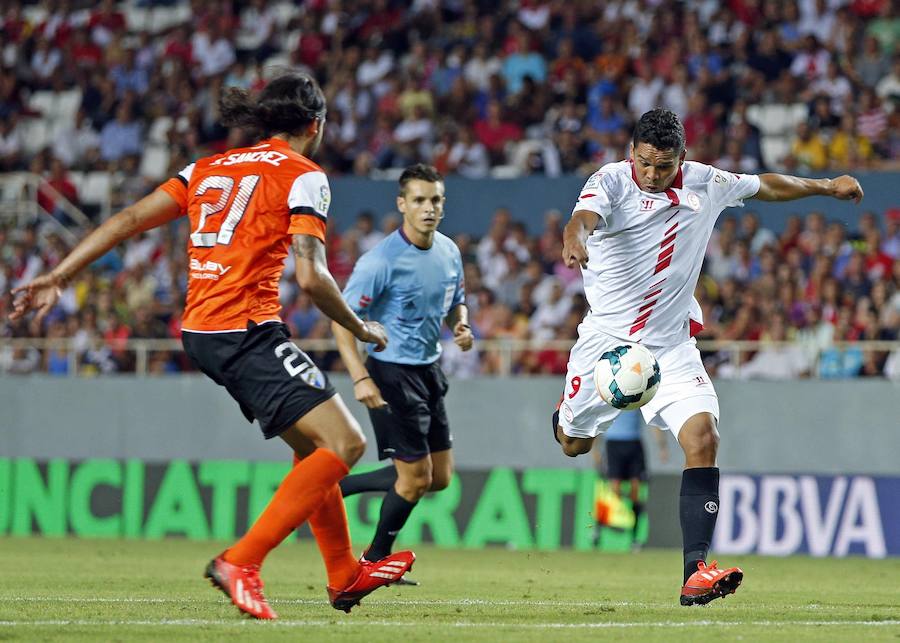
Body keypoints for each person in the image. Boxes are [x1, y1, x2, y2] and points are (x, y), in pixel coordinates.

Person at [8, 73, 415, 620]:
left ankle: (344, 575)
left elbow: (130, 219)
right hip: (243, 328)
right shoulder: (305, 175)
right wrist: (361, 328)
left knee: (312, 448)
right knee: (344, 445)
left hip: (202, 328)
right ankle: (241, 562)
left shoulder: (207, 167)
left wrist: (59, 274)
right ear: (315, 125)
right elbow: (313, 277)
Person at [556, 108, 863, 606]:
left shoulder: (706, 181)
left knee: (703, 437)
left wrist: (826, 186)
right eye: (646, 164)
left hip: (671, 346)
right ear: (633, 152)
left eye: (665, 165)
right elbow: (583, 218)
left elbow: (766, 185)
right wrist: (575, 238)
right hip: (606, 346)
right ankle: (565, 418)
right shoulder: (610, 180)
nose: (654, 176)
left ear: (683, 157)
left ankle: (694, 572)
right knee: (572, 443)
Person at [332, 164, 473, 580]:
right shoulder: (380, 261)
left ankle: (337, 490)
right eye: (418, 200)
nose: (428, 208)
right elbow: (341, 320)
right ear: (402, 204)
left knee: (440, 478)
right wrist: (360, 376)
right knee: (413, 480)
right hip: (391, 374)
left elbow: (455, 301)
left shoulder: (449, 251)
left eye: (435, 200)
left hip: (429, 371)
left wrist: (461, 325)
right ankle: (374, 559)